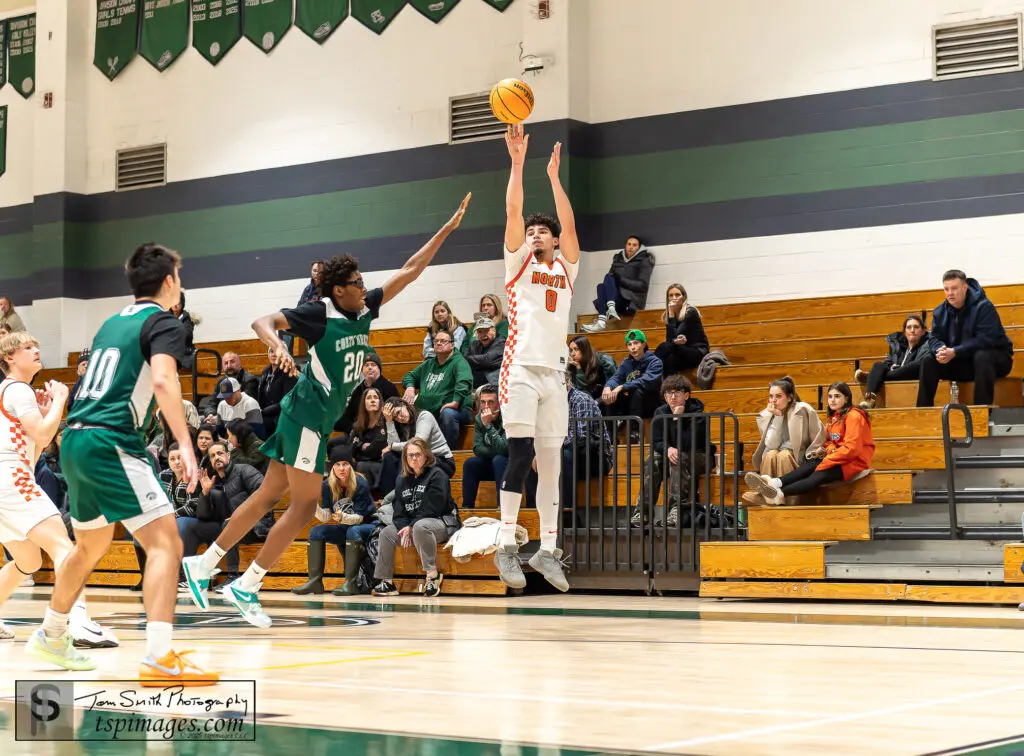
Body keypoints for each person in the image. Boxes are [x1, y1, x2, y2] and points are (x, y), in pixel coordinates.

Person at [181, 194, 471, 629]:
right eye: (356, 281)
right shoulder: (320, 312)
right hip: (306, 418)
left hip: (314, 419)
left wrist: (445, 230)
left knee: (267, 496)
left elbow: (409, 272)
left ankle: (203, 567)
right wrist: (277, 345)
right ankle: (248, 584)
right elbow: (262, 322)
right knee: (302, 508)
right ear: (339, 289)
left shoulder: (364, 307)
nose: (364, 284)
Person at [27, 243, 213, 684]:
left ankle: (52, 634)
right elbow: (165, 380)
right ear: (170, 282)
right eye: (180, 278)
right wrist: (185, 444)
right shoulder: (164, 322)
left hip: (74, 439)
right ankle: (159, 657)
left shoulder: (111, 323)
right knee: (167, 544)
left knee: (90, 546)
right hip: (111, 441)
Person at [494, 124, 580, 593]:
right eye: (530, 231)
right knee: (521, 452)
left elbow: (570, 225)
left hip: (555, 375)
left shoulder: (566, 268)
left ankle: (548, 549)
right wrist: (518, 162)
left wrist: (554, 176)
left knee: (552, 462)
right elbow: (511, 208)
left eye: (540, 231)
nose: (534, 235)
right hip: (520, 369)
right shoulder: (518, 265)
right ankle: (507, 543)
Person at [0, 333, 117, 647]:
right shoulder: (19, 389)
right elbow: (42, 434)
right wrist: (60, 401)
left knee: (29, 562)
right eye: (27, 347)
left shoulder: (8, 391)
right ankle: (77, 623)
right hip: (12, 479)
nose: (36, 349)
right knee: (66, 550)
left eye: (37, 345)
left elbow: (35, 447)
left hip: (6, 480)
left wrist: (44, 412)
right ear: (9, 358)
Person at [745, 382, 875, 506]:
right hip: (838, 457)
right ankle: (775, 483)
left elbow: (852, 449)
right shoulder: (834, 417)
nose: (832, 400)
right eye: (830, 396)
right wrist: (828, 451)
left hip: (853, 462)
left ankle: (778, 494)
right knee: (806, 466)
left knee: (816, 476)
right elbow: (830, 442)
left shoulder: (854, 416)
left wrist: (828, 459)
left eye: (837, 396)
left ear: (846, 399)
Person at [372, 439, 458, 598]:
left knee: (420, 527)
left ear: (426, 455)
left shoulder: (438, 475)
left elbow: (432, 508)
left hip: (441, 523)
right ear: (405, 458)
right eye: (410, 455)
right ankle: (387, 582)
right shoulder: (401, 479)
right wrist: (405, 528)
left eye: (418, 454)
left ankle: (433, 575)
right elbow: (398, 512)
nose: (414, 458)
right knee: (386, 533)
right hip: (414, 526)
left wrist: (411, 526)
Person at [918, 270, 1014, 407]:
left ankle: (980, 412)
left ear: (965, 287)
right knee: (928, 361)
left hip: (996, 360)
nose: (950, 293)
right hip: (963, 362)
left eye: (954, 288)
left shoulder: (984, 306)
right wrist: (940, 349)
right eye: (946, 289)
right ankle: (923, 412)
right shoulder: (939, 312)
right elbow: (934, 338)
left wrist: (956, 351)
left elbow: (986, 340)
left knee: (982, 356)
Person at [292, 444, 375, 596]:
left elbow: (360, 519)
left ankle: (351, 584)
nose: (342, 468)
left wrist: (343, 517)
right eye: (337, 464)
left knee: (353, 529)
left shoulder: (360, 483)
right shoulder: (327, 485)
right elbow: (325, 516)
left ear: (351, 466)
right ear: (332, 467)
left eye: (345, 464)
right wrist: (312, 506)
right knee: (316, 532)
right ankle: (315, 582)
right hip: (347, 528)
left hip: (367, 526)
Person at [630, 375, 710, 528]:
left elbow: (688, 442)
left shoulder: (698, 413)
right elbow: (656, 441)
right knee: (651, 460)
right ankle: (642, 512)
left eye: (677, 392)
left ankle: (676, 510)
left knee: (678, 458)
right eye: (668, 393)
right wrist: (668, 449)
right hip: (673, 455)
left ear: (686, 395)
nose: (672, 396)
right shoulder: (660, 412)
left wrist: (677, 419)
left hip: (699, 455)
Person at [744, 377, 825, 507]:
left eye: (778, 396)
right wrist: (777, 416)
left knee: (784, 454)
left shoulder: (803, 409)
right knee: (771, 453)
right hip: (774, 458)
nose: (773, 400)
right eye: (771, 396)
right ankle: (769, 496)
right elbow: (771, 445)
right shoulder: (767, 414)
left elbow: (816, 439)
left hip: (799, 461)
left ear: (789, 397)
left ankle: (783, 500)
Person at [461, 384, 536, 508]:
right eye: (483, 402)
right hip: (496, 463)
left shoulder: (509, 417)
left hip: (516, 465)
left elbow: (506, 449)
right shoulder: (480, 418)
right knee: (470, 463)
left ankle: (502, 508)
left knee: (499, 460)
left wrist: (488, 426)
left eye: (491, 402)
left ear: (500, 403)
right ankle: (466, 509)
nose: (486, 407)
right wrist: (498, 450)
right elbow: (477, 448)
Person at [402, 330, 473, 448]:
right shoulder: (428, 364)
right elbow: (410, 376)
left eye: (443, 341)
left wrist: (455, 402)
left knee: (447, 414)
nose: (439, 343)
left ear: (452, 345)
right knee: (404, 412)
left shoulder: (459, 362)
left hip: (457, 408)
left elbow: (464, 382)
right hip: (430, 408)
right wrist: (410, 387)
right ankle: (412, 450)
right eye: (436, 341)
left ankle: (448, 452)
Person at [379, 397, 456, 495]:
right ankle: (387, 497)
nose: (399, 418)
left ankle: (402, 496)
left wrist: (392, 446)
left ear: (404, 404)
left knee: (408, 460)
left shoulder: (424, 416)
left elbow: (418, 444)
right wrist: (389, 421)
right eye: (395, 417)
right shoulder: (400, 424)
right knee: (390, 456)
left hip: (441, 460)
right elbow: (393, 447)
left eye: (399, 412)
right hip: (418, 458)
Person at [856, 314, 932, 410]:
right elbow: (887, 363)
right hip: (895, 376)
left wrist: (898, 369)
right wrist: (892, 367)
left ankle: (870, 377)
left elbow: (921, 364)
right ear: (905, 332)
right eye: (909, 327)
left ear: (922, 331)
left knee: (918, 364)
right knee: (878, 365)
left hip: (912, 376)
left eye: (916, 327)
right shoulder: (898, 345)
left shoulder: (928, 344)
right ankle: (869, 400)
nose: (912, 330)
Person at [581, 236, 655, 333]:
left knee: (607, 282)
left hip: (630, 301)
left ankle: (603, 317)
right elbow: (609, 281)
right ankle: (606, 315)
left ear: (639, 247)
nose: (631, 247)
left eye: (634, 245)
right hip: (616, 298)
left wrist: (621, 279)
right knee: (602, 284)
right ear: (625, 245)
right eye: (629, 244)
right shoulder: (618, 258)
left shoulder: (644, 260)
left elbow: (642, 286)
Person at [601, 330, 664, 430]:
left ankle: (634, 431)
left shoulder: (655, 361)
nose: (632, 347)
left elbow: (646, 381)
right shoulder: (626, 363)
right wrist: (608, 387)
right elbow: (616, 378)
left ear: (644, 344)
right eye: (629, 344)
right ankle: (610, 434)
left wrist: (622, 387)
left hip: (652, 402)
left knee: (637, 391)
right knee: (610, 395)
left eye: (636, 343)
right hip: (633, 404)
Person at [334, 352, 398, 436]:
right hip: (359, 432)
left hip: (380, 435)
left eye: (373, 365)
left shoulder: (389, 388)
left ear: (379, 369)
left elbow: (395, 417)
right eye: (366, 365)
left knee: (338, 449)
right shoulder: (358, 390)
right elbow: (348, 415)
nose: (370, 367)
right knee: (331, 443)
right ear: (362, 370)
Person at [654, 284, 709, 376]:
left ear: (684, 297)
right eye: (671, 295)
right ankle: (663, 387)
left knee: (664, 347)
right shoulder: (667, 315)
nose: (674, 298)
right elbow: (671, 340)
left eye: (677, 295)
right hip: (681, 350)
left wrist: (671, 314)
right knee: (669, 358)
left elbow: (674, 338)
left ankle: (649, 369)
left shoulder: (690, 312)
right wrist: (670, 315)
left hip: (697, 351)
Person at [349, 387, 388, 490]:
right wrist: (362, 445)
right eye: (369, 398)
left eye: (376, 397)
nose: (372, 400)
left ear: (380, 401)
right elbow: (351, 449)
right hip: (363, 462)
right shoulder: (359, 424)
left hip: (382, 463)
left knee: (361, 466)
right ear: (364, 403)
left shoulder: (386, 421)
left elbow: (377, 448)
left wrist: (360, 445)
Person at [257, 346, 299, 436]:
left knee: (255, 424)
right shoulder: (266, 371)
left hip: (281, 416)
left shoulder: (290, 371)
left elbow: (286, 402)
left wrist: (263, 412)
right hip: (266, 414)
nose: (274, 354)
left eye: (277, 351)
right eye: (271, 351)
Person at [568, 336, 617, 403]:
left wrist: (597, 402)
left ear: (585, 349)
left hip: (607, 397)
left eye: (576, 349)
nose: (572, 354)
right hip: (590, 398)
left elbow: (613, 387)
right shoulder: (575, 363)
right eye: (571, 350)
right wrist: (578, 367)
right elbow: (581, 389)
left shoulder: (605, 361)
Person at [464, 318, 506, 388]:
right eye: (480, 332)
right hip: (478, 379)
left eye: (486, 331)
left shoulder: (501, 342)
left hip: (494, 382)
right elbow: (464, 360)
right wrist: (481, 362)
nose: (483, 335)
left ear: (494, 331)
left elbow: (488, 360)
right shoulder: (475, 344)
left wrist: (472, 360)